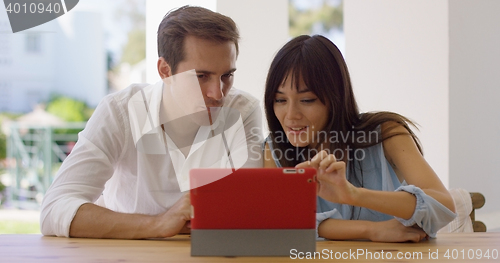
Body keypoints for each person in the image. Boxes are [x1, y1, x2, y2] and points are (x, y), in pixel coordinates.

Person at [40, 6, 263, 239]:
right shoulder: (120, 111)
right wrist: (158, 224)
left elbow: (248, 210)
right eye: (201, 76)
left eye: (227, 76)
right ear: (165, 71)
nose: (218, 93)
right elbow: (54, 209)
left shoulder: (243, 111)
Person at [263, 35, 456, 242]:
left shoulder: (386, 133)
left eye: (307, 100)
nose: (291, 115)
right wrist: (371, 230)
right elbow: (284, 222)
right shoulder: (274, 149)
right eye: (280, 100)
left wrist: (354, 194)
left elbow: (444, 206)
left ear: (335, 98)